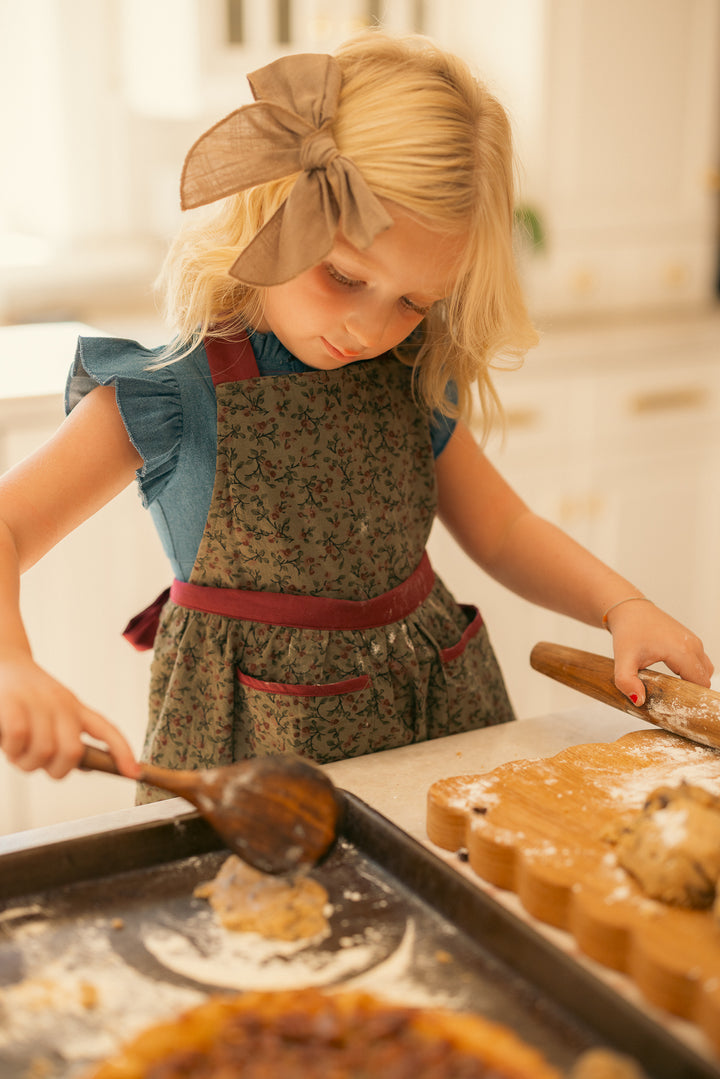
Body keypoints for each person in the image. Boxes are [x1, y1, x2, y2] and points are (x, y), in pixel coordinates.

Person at [0, 32, 712, 799]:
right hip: (250, 753)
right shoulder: (174, 392)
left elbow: (505, 530)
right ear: (274, 209)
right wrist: (12, 663)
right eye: (343, 275)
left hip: (437, 716)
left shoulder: (406, 374)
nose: (371, 330)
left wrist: (620, 604)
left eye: (414, 301)